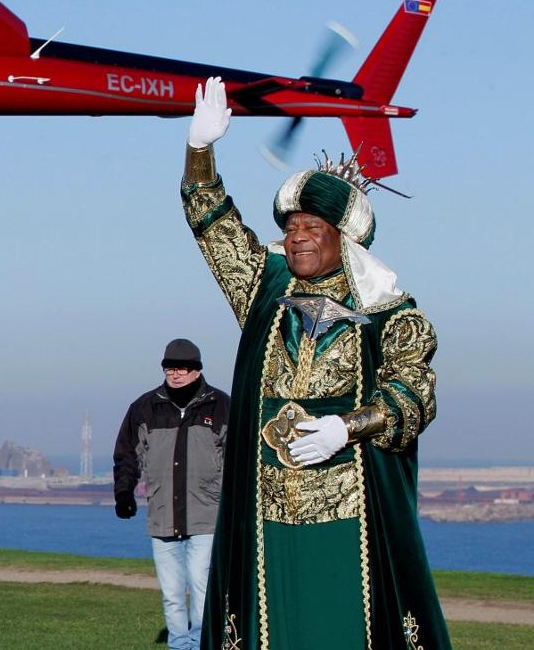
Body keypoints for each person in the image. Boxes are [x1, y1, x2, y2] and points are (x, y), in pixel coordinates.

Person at [181, 79, 450, 649]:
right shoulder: (265, 288)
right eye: (290, 227)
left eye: (311, 228)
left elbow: (414, 395)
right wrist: (200, 154)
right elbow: (218, 232)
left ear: (343, 240)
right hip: (268, 505)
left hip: (350, 509)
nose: (295, 237)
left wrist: (343, 428)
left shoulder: (389, 312)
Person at [113, 338, 229, 650]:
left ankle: (201, 642)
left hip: (207, 515)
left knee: (202, 587)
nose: (175, 373)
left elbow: (238, 460)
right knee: (172, 592)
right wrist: (124, 493)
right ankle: (179, 645)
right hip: (163, 516)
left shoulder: (222, 406)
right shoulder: (144, 407)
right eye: (169, 368)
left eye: (182, 368)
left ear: (197, 370)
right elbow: (127, 455)